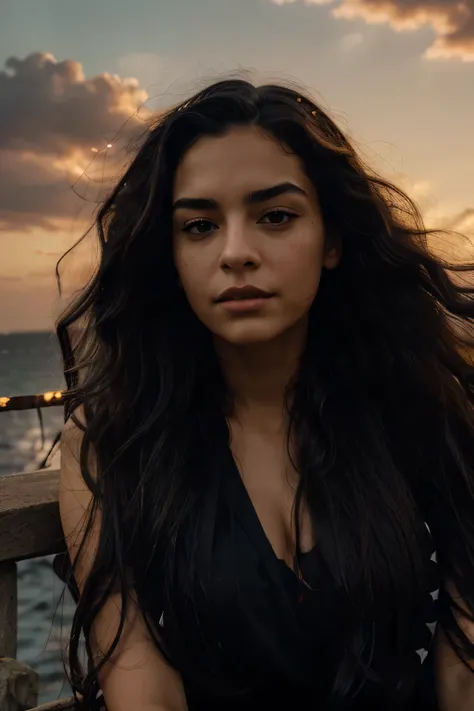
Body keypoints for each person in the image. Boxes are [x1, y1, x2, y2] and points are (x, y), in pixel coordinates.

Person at [56, 79, 474, 711]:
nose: (236, 253)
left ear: (332, 240)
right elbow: (142, 688)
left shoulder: (415, 403)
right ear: (168, 255)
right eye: (198, 226)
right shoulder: (116, 439)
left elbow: (464, 660)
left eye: (275, 216)